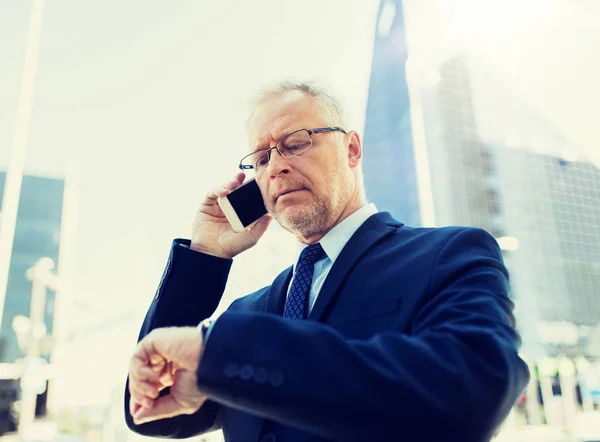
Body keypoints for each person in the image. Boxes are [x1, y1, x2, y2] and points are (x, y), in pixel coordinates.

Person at [124, 80, 530, 442]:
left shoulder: (448, 255)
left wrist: (224, 352)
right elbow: (150, 407)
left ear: (351, 149)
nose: (276, 166)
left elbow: (473, 391)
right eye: (262, 159)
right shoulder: (246, 312)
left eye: (295, 143)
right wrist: (204, 256)